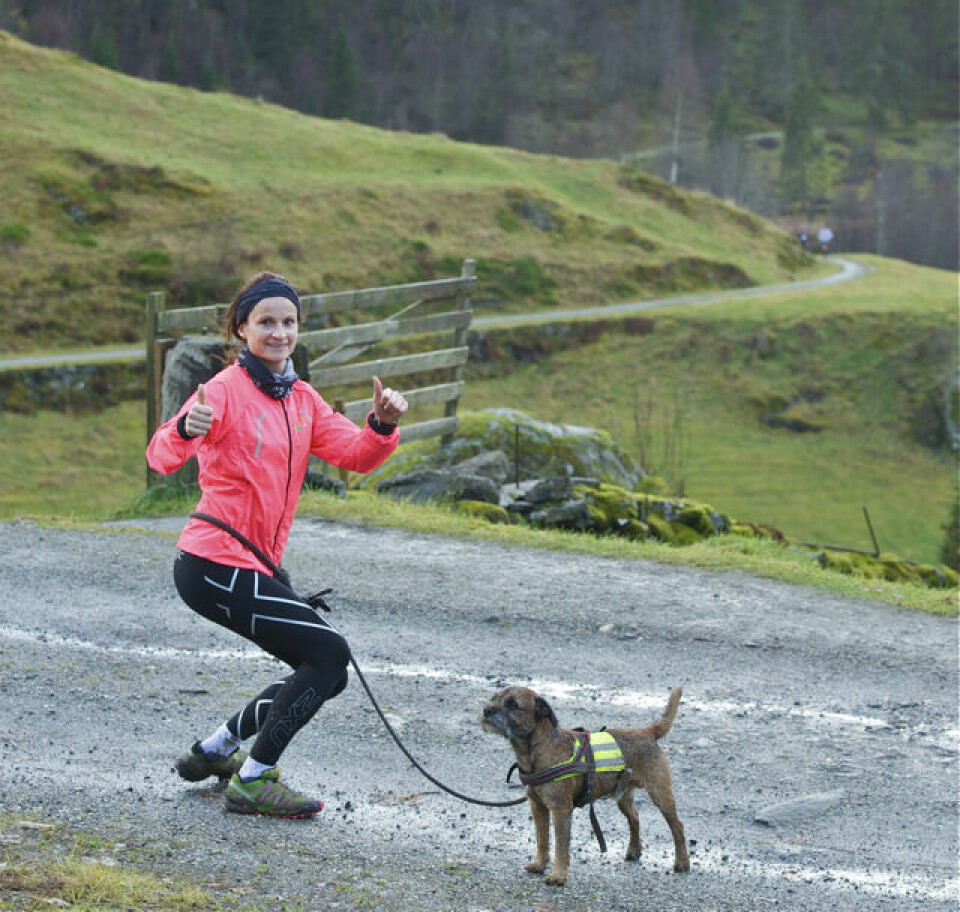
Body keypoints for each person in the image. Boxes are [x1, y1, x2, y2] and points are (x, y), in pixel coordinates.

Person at [146, 271, 407, 819]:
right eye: (266, 322)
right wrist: (185, 431)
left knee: (322, 671)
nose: (279, 332)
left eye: (288, 322)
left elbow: (356, 454)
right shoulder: (220, 390)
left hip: (256, 565)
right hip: (212, 561)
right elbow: (160, 457)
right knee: (330, 654)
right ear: (243, 329)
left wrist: (381, 424)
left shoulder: (303, 399)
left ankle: (214, 751)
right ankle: (254, 779)